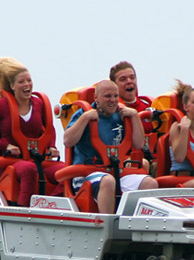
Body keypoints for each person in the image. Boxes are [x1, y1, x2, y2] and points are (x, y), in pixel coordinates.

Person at [0, 57, 65, 206]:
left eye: (29, 81)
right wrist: (5, 146)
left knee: (65, 171)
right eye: (21, 82)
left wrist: (52, 146)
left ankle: (49, 204)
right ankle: (23, 210)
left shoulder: (38, 103)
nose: (27, 85)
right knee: (28, 169)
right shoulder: (1, 106)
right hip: (12, 162)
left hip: (37, 160)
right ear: (12, 86)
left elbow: (50, 128)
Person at [63, 80, 158, 214]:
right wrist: (85, 118)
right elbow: (68, 141)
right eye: (108, 96)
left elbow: (139, 144)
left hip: (114, 171)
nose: (113, 100)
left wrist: (135, 116)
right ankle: (108, 226)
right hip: (85, 175)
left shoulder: (120, 116)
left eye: (115, 96)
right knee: (108, 181)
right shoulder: (82, 114)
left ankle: (136, 225)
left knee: (150, 184)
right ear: (96, 98)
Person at [109, 61, 155, 133]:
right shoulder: (110, 110)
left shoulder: (147, 107)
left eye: (132, 77)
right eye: (123, 79)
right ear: (114, 85)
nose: (129, 81)